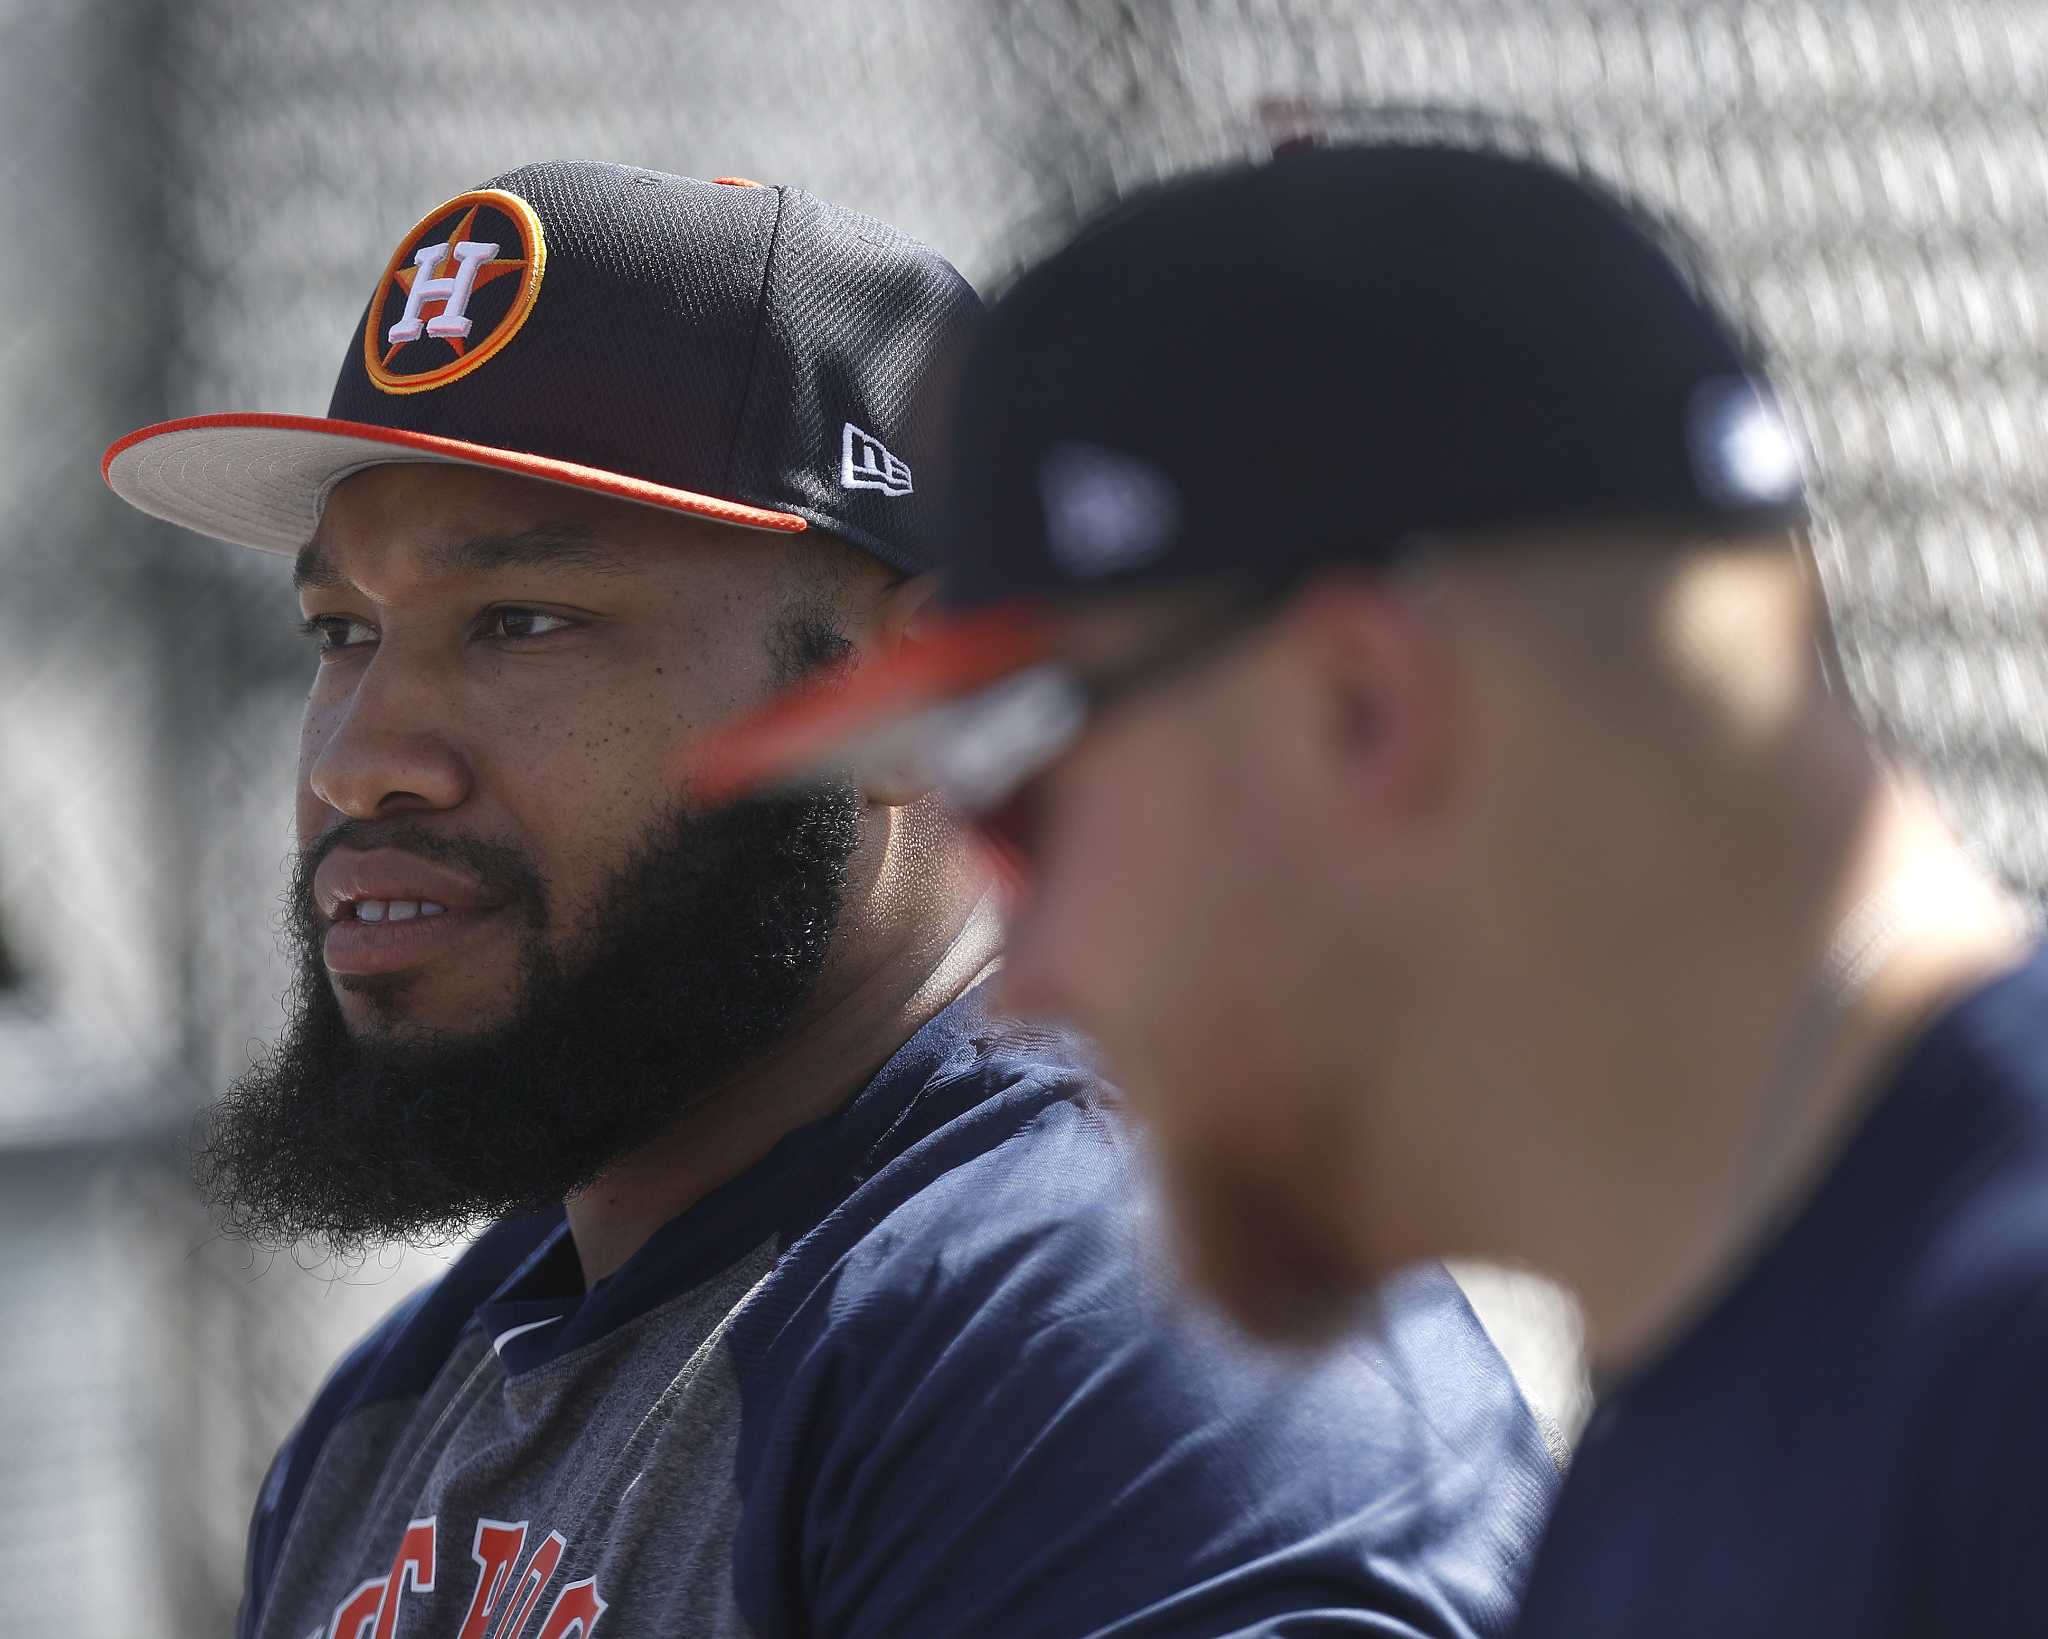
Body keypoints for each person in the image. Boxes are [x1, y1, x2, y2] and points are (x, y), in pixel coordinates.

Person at [102, 160, 1558, 1639]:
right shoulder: (404, 1400)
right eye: (340, 630)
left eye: (520, 623)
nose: (361, 765)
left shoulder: (1118, 1338)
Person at [691, 140, 2048, 1635]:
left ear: (1359, 706)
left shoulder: (1991, 1366)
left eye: (1022, 803)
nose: (1032, 978)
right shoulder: (1742, 1393)